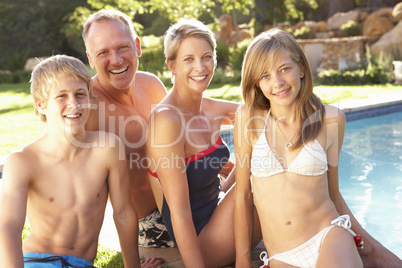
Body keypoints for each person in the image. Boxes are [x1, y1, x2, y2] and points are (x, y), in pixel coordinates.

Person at [234, 28, 402, 268]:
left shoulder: (331, 120)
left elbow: (334, 195)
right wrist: (242, 260)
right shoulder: (248, 119)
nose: (278, 82)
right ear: (256, 82)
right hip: (280, 255)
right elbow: (242, 197)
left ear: (301, 68)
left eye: (284, 69)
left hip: (328, 237)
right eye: (265, 76)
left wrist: (372, 247)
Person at [0, 55, 141, 267]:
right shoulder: (22, 162)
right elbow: (9, 226)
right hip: (38, 261)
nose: (73, 104)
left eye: (80, 94)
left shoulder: (108, 148)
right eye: (61, 96)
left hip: (83, 263)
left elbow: (123, 214)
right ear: (40, 105)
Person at [145, 18, 260, 267]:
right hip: (202, 242)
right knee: (267, 174)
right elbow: (179, 212)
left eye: (206, 56)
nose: (200, 67)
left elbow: (262, 115)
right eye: (188, 59)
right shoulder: (167, 120)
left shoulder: (208, 107)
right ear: (171, 65)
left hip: (221, 212)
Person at [82, 9, 171, 251]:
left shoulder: (151, 84)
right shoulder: (87, 108)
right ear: (90, 58)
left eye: (122, 47)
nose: (117, 60)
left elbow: (187, 136)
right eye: (103, 52)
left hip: (193, 197)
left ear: (137, 46)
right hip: (155, 224)